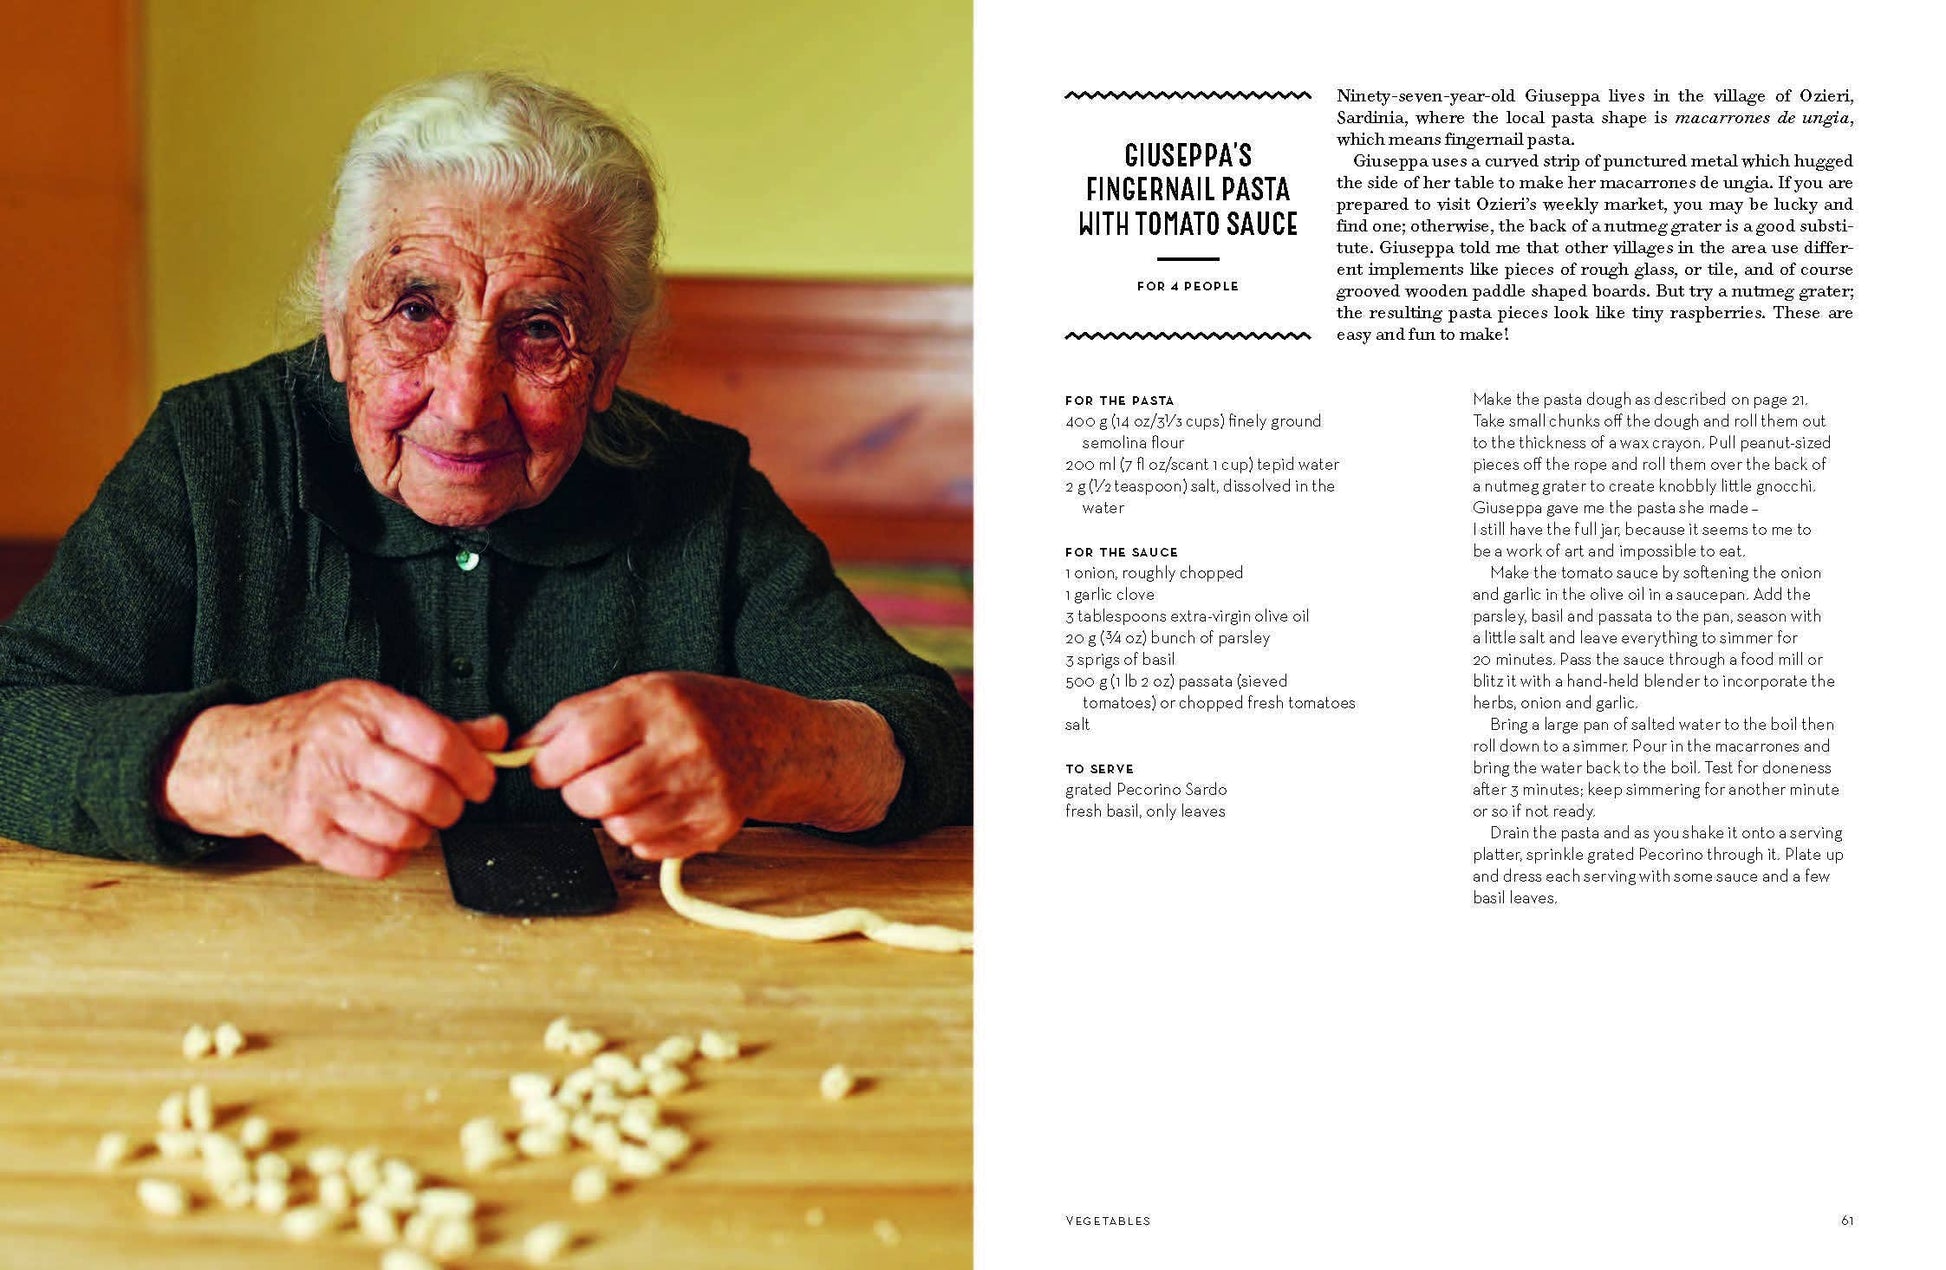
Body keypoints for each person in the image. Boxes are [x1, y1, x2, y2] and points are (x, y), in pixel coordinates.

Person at [0, 71, 971, 879]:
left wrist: (777, 752)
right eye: (415, 311)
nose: (466, 401)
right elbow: (14, 714)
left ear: (609, 365)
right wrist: (230, 762)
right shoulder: (211, 453)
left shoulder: (696, 489)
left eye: (539, 330)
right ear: (338, 323)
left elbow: (939, 738)